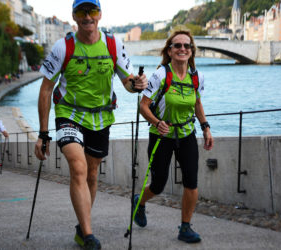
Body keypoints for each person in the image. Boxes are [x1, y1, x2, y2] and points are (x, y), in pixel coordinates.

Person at [34, 0, 147, 248]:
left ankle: (80, 227)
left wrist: (136, 84)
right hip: (69, 114)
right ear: (74, 16)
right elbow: (45, 90)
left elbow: (127, 81)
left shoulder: (113, 44)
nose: (88, 16)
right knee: (78, 166)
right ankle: (88, 234)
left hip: (101, 117)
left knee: (93, 174)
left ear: (100, 15)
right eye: (82, 12)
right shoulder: (62, 47)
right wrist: (43, 133)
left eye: (92, 11)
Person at [136, 30, 214, 243]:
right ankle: (139, 202)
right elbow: (143, 106)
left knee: (191, 181)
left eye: (186, 46)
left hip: (187, 133)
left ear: (191, 51)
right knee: (159, 183)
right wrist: (157, 122)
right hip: (161, 135)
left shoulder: (196, 77)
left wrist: (205, 127)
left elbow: (197, 103)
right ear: (169, 51)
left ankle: (185, 227)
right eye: (177, 45)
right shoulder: (161, 75)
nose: (182, 49)